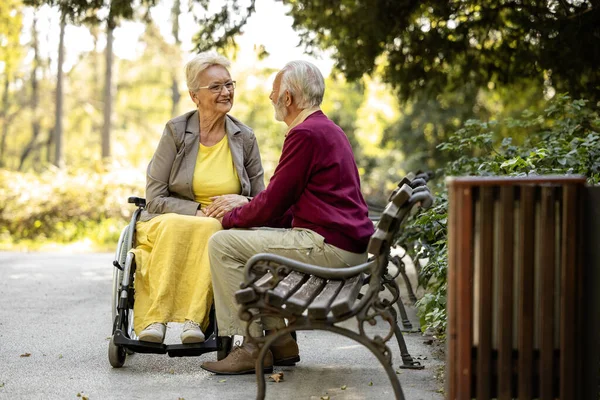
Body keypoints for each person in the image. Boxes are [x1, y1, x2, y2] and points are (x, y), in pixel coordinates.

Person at [201, 60, 374, 374]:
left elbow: (273, 204)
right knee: (248, 244)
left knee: (223, 244)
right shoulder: (326, 128)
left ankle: (251, 346)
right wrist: (250, 210)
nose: (270, 97)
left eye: (275, 91)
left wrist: (227, 219)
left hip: (329, 248)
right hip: (344, 246)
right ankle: (280, 342)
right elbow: (287, 205)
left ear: (289, 99)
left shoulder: (305, 134)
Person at [131, 51, 265, 344]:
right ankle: (155, 319)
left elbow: (260, 196)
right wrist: (197, 210)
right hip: (169, 221)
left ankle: (195, 318)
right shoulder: (176, 131)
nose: (226, 92)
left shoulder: (245, 136)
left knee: (214, 231)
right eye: (215, 87)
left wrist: (243, 201)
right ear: (195, 96)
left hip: (222, 225)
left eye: (229, 84)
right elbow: (154, 197)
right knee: (194, 226)